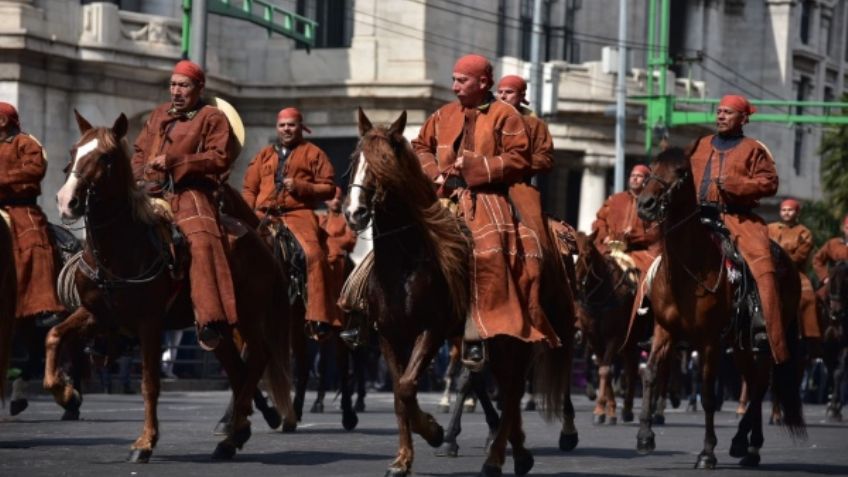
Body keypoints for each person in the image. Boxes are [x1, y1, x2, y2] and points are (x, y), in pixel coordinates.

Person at [412, 54, 560, 366]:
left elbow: (521, 157)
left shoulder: (506, 116)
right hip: (442, 196)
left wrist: (478, 167)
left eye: (461, 80)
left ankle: (477, 330)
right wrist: (433, 172)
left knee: (490, 250)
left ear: (483, 83)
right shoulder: (442, 114)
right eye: (453, 79)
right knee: (400, 240)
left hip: (488, 196)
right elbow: (420, 146)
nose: (454, 87)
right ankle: (364, 312)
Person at [131, 60, 236, 351]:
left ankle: (210, 319)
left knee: (202, 242)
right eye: (173, 84)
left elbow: (219, 158)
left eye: (184, 85)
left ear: (199, 88)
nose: (176, 91)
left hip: (190, 191)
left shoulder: (211, 117)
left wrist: (176, 161)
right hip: (150, 190)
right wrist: (138, 176)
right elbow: (139, 153)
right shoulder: (158, 114)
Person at [689, 94, 787, 363]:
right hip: (696, 217)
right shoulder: (699, 144)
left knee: (761, 266)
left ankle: (760, 324)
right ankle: (653, 316)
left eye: (727, 113)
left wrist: (736, 185)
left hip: (737, 218)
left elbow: (770, 183)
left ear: (743, 119)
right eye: (719, 111)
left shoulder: (754, 148)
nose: (720, 116)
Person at [242, 107, 338, 339]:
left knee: (314, 254)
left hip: (299, 213)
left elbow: (329, 188)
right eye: (282, 125)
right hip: (263, 214)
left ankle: (318, 318)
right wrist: (247, 216)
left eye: (291, 125)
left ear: (300, 127)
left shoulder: (314, 153)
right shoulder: (263, 155)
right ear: (277, 127)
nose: (286, 129)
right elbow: (249, 189)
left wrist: (302, 187)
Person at [0, 102, 65, 414]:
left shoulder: (26, 142)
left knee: (34, 244)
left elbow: (33, 170)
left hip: (19, 208)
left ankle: (42, 306)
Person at [592, 164, 660, 279]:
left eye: (639, 176)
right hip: (609, 250)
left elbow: (656, 232)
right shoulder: (616, 199)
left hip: (638, 254)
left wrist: (633, 235)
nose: (634, 178)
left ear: (647, 180)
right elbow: (600, 220)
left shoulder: (652, 204)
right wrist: (604, 236)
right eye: (632, 175)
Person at [767, 199, 821, 342]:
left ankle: (811, 338)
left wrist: (783, 263)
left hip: (795, 272)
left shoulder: (804, 232)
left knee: (808, 296)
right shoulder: (769, 228)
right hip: (769, 270)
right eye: (783, 210)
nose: (786, 213)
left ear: (797, 212)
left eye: (790, 210)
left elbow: (800, 256)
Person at [318, 187, 359, 343]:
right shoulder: (320, 220)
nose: (336, 201)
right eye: (333, 198)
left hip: (340, 264)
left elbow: (350, 239)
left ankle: (343, 321)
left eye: (338, 198)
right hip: (324, 265)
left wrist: (332, 244)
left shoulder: (345, 219)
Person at [812, 213, 848, 288]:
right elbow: (817, 259)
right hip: (834, 286)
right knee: (818, 297)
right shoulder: (833, 244)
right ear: (844, 228)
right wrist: (825, 277)